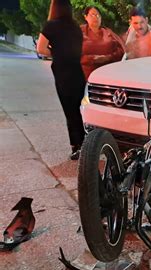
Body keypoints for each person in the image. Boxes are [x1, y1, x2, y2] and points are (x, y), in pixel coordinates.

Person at [36, 0, 85, 160]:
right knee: (79, 109)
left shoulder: (50, 26)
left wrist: (55, 53)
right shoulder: (75, 27)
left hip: (63, 73)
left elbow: (41, 49)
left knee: (70, 111)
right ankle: (85, 143)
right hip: (77, 72)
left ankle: (77, 146)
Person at [80, 6, 124, 80]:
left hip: (108, 73)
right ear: (86, 17)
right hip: (85, 75)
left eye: (98, 15)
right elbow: (71, 53)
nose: (96, 17)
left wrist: (108, 57)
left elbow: (122, 50)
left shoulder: (108, 32)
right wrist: (92, 59)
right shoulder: (80, 32)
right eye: (92, 15)